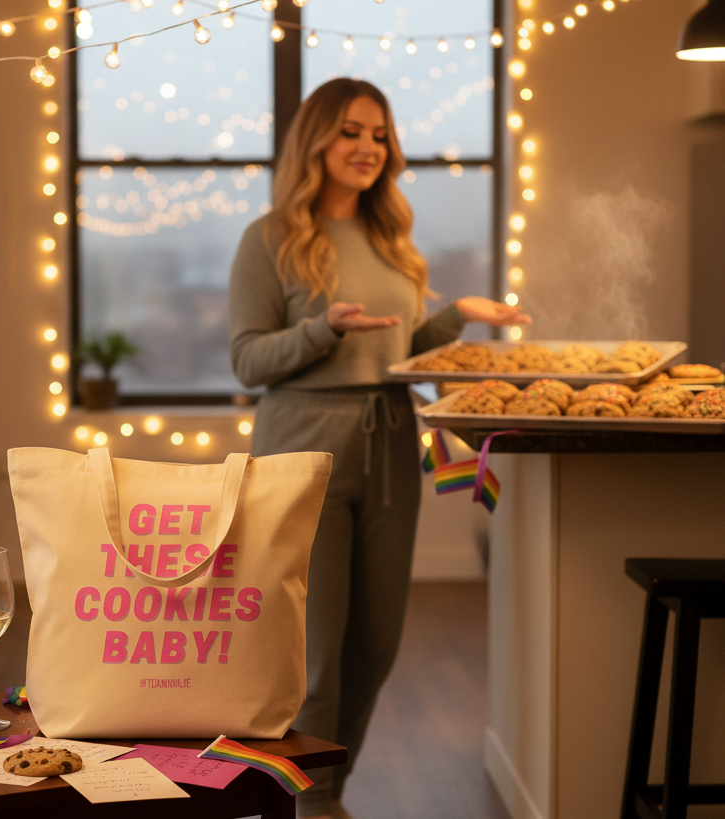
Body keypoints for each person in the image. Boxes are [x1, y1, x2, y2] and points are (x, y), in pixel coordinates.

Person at [228, 78, 530, 819]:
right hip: (304, 451)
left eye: (380, 135)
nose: (368, 147)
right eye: (351, 132)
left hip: (393, 445)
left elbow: (399, 348)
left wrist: (457, 314)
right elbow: (246, 361)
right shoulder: (269, 238)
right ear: (316, 140)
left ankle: (330, 785)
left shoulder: (393, 238)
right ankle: (312, 801)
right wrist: (321, 327)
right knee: (318, 656)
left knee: (375, 645)